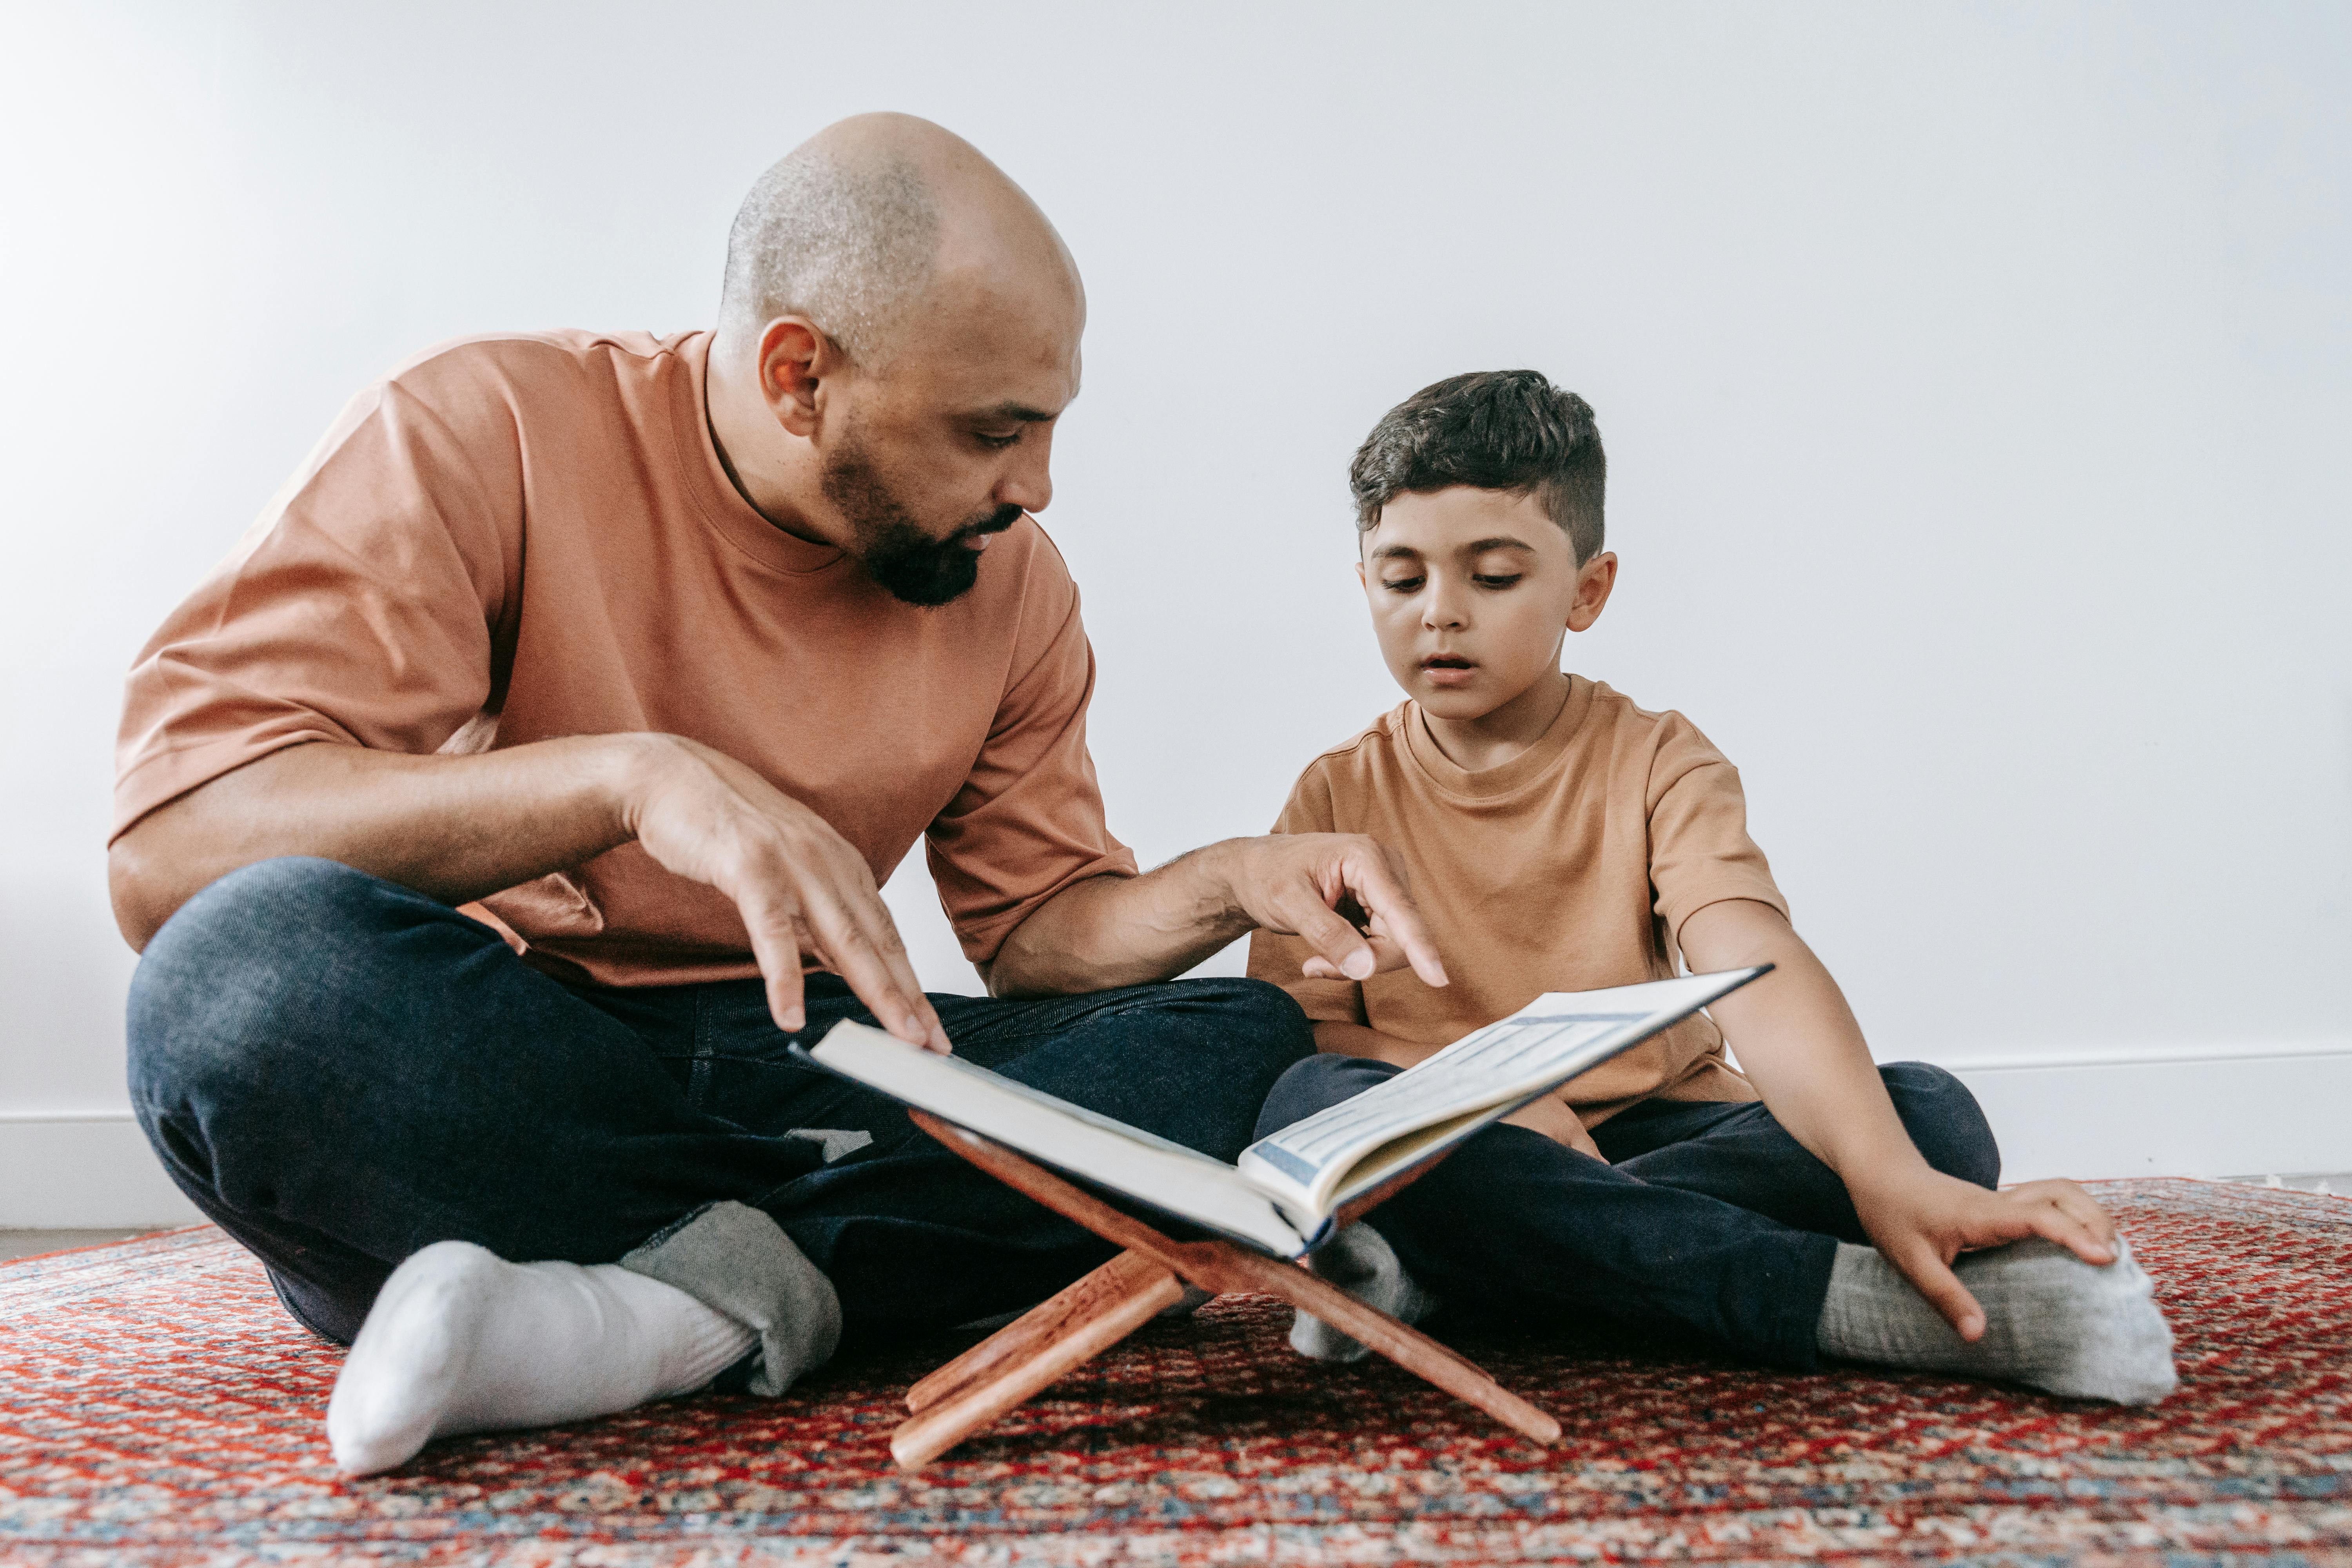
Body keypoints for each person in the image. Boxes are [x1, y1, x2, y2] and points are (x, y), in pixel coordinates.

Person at [107, 114, 1452, 1477]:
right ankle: (828, 1255)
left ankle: (650, 1311)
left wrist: (1225, 881)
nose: (1035, 487)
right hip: (519, 1063)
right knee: (235, 986)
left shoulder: (1014, 581)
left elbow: (1039, 935)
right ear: (800, 374)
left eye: (1046, 427)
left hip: (819, 1064)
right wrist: (628, 780)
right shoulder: (480, 426)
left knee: (1231, 1040)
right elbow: (173, 853)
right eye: (994, 431)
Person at [1244, 370, 2177, 1404]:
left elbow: (1750, 961)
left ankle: (1468, 1267)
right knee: (1306, 1103)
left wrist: (1891, 1177)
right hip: (1456, 1135)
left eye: (1494, 577)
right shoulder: (1333, 792)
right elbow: (1309, 1039)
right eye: (1401, 577)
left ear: (1587, 591)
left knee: (1928, 1116)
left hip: (1653, 1136)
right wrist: (1496, 1106)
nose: (1441, 615)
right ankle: (1835, 1299)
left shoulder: (1660, 761)